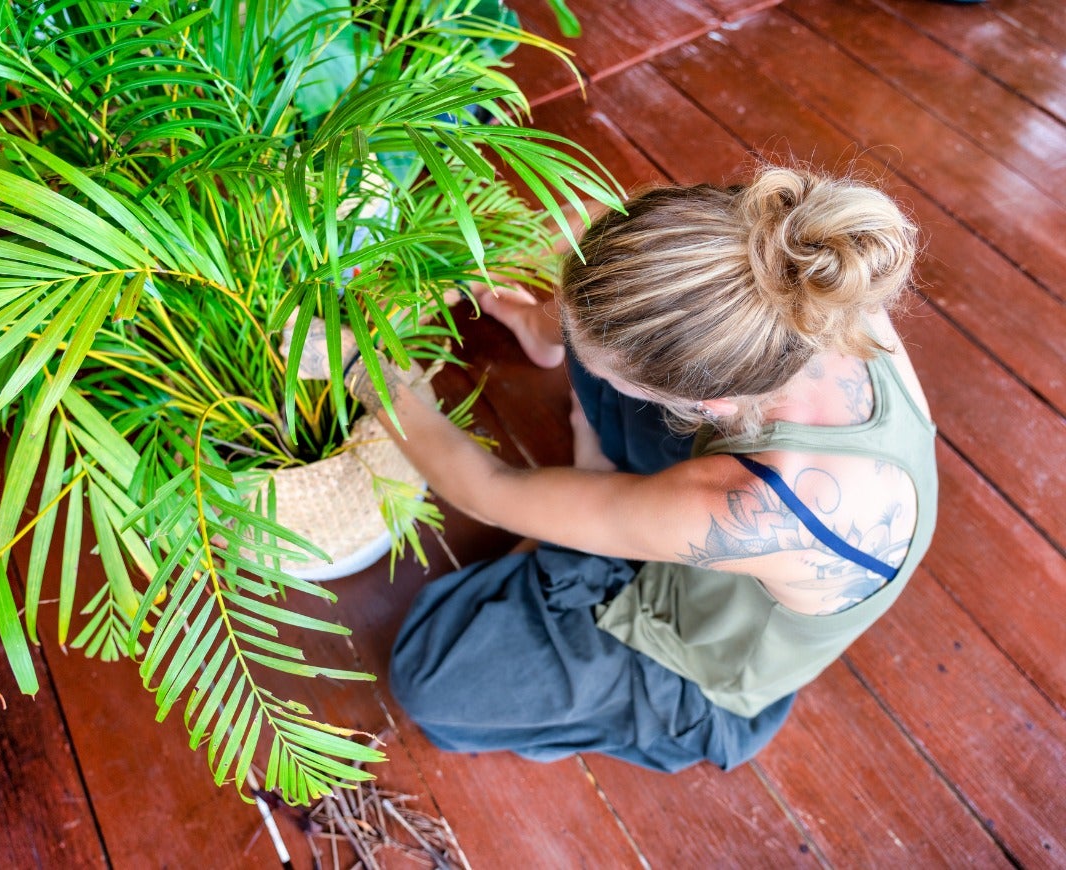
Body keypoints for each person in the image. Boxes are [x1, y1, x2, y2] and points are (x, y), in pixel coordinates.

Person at [337, 165, 938, 773]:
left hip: (696, 651)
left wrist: (362, 361)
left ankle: (597, 507)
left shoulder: (753, 508)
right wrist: (521, 311)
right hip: (716, 475)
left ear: (706, 405)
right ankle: (592, 470)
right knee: (608, 291)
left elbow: (492, 491)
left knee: (432, 682)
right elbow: (632, 212)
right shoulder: (794, 271)